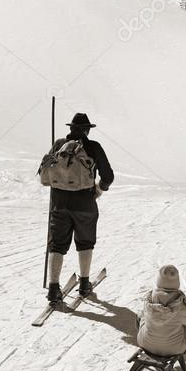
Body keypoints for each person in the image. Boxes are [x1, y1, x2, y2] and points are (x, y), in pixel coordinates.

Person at [45, 112, 114, 303]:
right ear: (86, 130)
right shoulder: (93, 147)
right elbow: (108, 176)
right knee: (85, 242)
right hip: (85, 203)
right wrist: (99, 190)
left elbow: (47, 172)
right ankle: (84, 284)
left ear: (70, 129)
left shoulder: (59, 145)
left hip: (59, 203)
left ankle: (53, 288)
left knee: (57, 245)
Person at [136, 264, 186, 368]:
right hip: (174, 348)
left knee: (140, 315)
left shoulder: (149, 298)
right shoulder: (179, 303)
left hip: (145, 343)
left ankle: (148, 341)